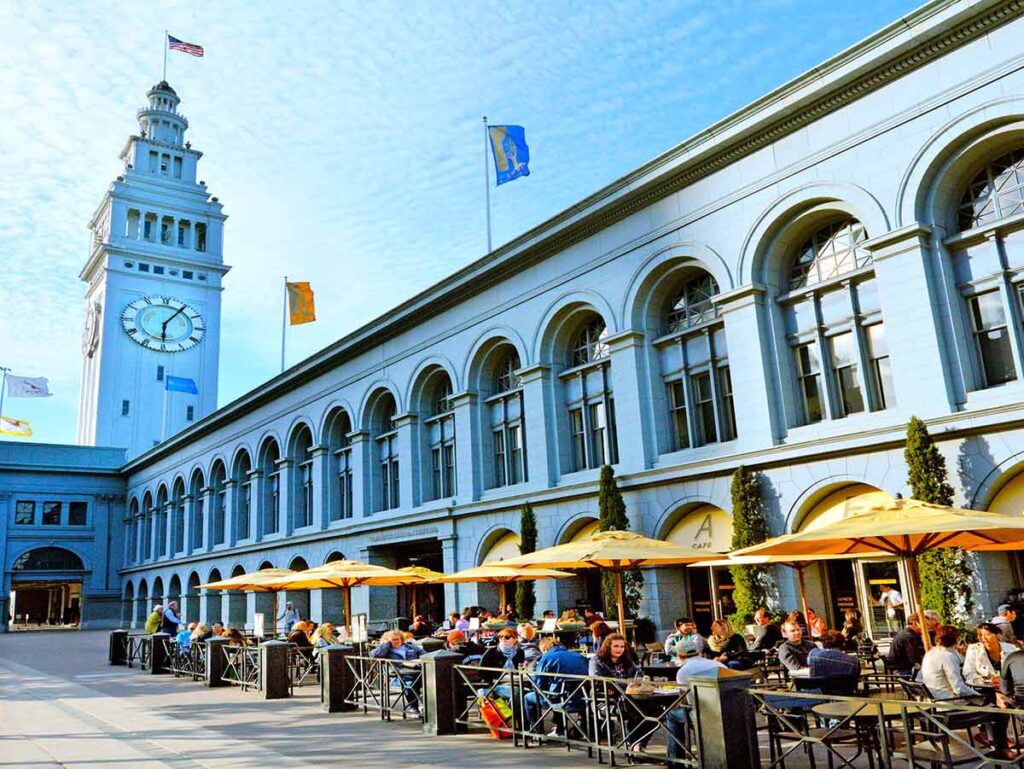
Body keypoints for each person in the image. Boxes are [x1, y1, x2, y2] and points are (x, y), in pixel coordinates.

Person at [666, 646, 728, 760]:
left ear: (679, 656)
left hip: (705, 716)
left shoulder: (683, 672)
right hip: (728, 711)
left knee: (671, 714)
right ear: (699, 653)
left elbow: (690, 702)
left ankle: (676, 760)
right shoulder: (719, 665)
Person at [525, 635, 589, 734]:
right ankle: (571, 729)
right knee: (558, 691)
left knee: (528, 698)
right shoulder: (579, 656)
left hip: (559, 699)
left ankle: (537, 733)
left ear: (545, 649)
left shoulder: (547, 657)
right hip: (583, 699)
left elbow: (538, 683)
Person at [920, 625, 982, 702]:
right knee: (991, 706)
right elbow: (958, 688)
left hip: (933, 698)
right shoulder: (947, 657)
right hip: (948, 701)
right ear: (956, 639)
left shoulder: (931, 652)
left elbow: (958, 660)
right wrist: (980, 696)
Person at [371, 630, 424, 716]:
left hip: (417, 670)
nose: (396, 641)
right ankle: (413, 707)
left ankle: (426, 705)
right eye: (393, 640)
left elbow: (425, 654)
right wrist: (386, 644)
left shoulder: (411, 647)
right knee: (409, 684)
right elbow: (373, 655)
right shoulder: (386, 650)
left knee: (429, 682)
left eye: (398, 639)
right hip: (400, 672)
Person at [964, 622, 1016, 689]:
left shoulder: (1011, 649)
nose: (983, 638)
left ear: (998, 635)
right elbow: (968, 674)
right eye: (980, 635)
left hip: (1010, 688)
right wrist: (988, 681)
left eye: (987, 634)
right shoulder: (974, 650)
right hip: (985, 691)